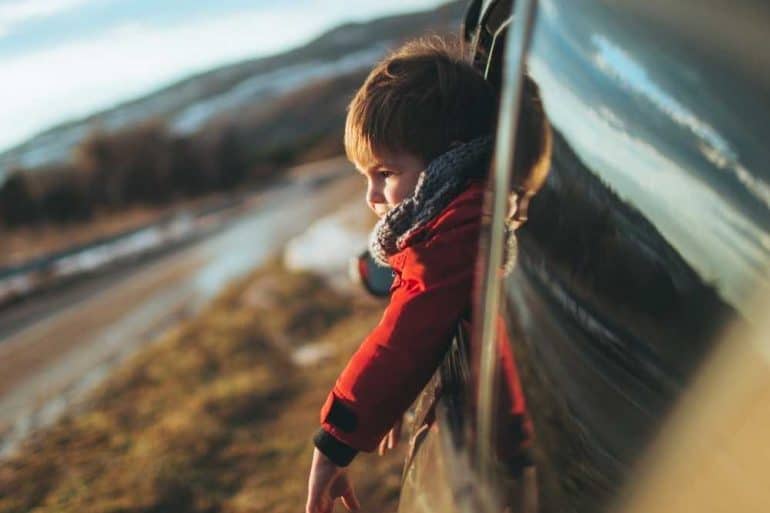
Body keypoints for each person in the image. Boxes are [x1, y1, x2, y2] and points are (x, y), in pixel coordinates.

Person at [305, 37, 552, 513]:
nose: (372, 197)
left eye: (384, 173)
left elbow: (410, 329)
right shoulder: (468, 211)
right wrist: (400, 392)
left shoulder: (457, 229)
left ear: (446, 158)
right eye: (364, 178)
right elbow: (428, 326)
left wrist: (334, 443)